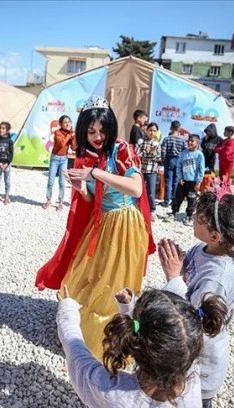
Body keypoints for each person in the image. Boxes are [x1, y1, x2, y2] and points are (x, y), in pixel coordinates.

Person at [36, 95, 156, 359]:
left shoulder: (121, 149)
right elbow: (92, 200)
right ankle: (78, 332)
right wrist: (82, 189)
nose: (98, 136)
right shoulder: (85, 155)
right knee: (86, 276)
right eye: (91, 131)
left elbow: (136, 188)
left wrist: (95, 174)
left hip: (125, 224)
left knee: (113, 282)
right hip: (100, 223)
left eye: (102, 130)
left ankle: (106, 341)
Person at [158, 192, 234, 408]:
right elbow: (188, 275)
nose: (193, 216)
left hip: (199, 369)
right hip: (187, 358)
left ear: (216, 236)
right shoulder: (203, 249)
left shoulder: (217, 279)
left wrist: (173, 277)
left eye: (200, 218)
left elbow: (191, 321)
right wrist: (177, 262)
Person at [56, 285, 227, 408]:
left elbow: (76, 354)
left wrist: (67, 309)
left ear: (135, 343)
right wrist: (130, 308)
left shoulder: (110, 392)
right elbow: (173, 332)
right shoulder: (193, 374)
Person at [168, 134, 205, 226]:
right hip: (183, 180)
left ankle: (189, 216)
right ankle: (173, 213)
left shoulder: (199, 155)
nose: (190, 142)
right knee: (178, 197)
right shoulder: (184, 153)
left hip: (193, 182)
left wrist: (198, 182)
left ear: (197, 143)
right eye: (189, 140)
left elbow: (201, 169)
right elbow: (179, 166)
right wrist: (180, 177)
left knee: (191, 200)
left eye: (192, 141)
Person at [44, 115, 77, 211]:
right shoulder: (57, 132)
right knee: (51, 181)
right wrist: (70, 135)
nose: (67, 124)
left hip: (64, 159)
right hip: (55, 158)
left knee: (62, 182)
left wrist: (74, 138)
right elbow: (62, 143)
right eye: (65, 122)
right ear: (61, 124)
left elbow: (74, 147)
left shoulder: (70, 134)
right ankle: (48, 200)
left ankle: (61, 202)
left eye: (69, 122)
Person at [136, 122, 162, 220]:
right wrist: (149, 152)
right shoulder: (141, 141)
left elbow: (158, 157)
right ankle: (138, 208)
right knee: (139, 190)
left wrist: (149, 153)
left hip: (152, 170)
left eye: (154, 131)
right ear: (146, 130)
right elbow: (137, 153)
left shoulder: (157, 143)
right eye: (150, 130)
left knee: (151, 191)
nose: (152, 132)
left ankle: (152, 210)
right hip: (141, 170)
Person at [160, 120, 185, 207]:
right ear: (179, 129)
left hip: (169, 159)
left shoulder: (167, 139)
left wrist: (163, 159)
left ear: (171, 128)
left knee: (168, 181)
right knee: (175, 181)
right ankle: (174, 200)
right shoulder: (182, 140)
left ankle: (166, 201)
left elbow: (163, 151)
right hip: (178, 160)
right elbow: (184, 151)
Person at [0, 121, 14, 205]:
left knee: (7, 181)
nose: (1, 130)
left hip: (7, 164)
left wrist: (7, 163)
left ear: (7, 130)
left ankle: (7, 196)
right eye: (0, 128)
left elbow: (11, 154)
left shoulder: (10, 141)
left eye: (3, 128)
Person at [214, 126, 234, 193]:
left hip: (228, 162)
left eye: (225, 131)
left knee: (226, 177)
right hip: (222, 161)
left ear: (230, 132)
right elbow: (216, 149)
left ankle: (226, 191)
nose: (224, 132)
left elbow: (227, 152)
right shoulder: (224, 141)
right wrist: (221, 150)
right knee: (221, 176)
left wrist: (220, 150)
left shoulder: (232, 141)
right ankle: (221, 190)